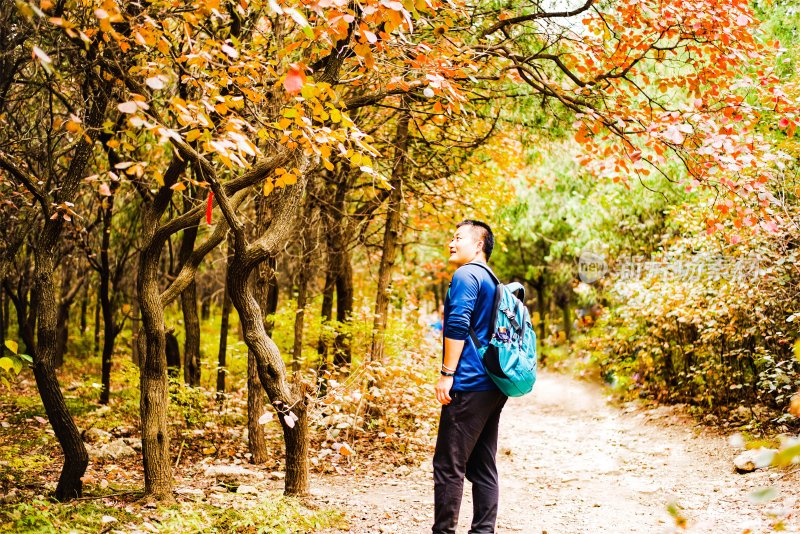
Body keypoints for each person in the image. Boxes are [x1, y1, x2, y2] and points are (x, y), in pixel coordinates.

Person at [433, 220, 507, 534]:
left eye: (458, 237)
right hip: (493, 383)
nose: (452, 242)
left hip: (469, 382)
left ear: (478, 245)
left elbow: (458, 324)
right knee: (483, 465)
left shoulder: (466, 274)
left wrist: (447, 373)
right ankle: (483, 531)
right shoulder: (492, 280)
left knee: (449, 465)